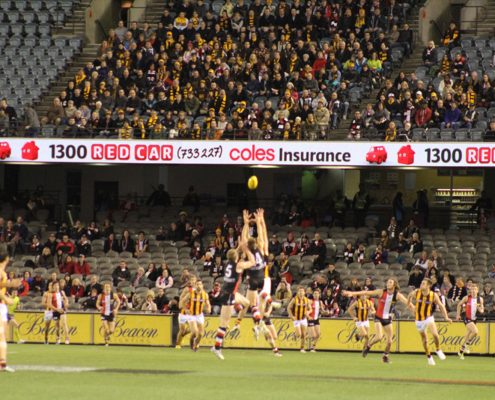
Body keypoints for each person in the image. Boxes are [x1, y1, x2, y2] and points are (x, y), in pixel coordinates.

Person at [343, 278, 410, 363]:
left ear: (394, 285)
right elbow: (366, 292)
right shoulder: (381, 291)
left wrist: (414, 308)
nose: (388, 283)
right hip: (378, 317)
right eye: (387, 281)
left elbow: (407, 302)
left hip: (387, 319)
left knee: (389, 341)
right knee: (379, 337)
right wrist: (352, 293)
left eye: (390, 282)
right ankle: (368, 347)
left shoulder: (397, 295)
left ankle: (385, 356)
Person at [211, 241, 254, 360]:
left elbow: (234, 252)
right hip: (229, 295)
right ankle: (217, 347)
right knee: (224, 323)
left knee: (246, 303)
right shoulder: (238, 265)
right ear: (236, 256)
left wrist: (241, 246)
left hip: (230, 293)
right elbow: (252, 262)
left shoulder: (228, 263)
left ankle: (237, 322)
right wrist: (247, 250)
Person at [233, 209, 268, 338]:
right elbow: (262, 235)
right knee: (257, 304)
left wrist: (246, 223)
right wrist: (259, 221)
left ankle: (253, 325)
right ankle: (254, 325)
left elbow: (243, 238)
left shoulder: (246, 252)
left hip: (252, 279)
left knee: (250, 305)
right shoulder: (262, 249)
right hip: (262, 279)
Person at [407, 278, 451, 365]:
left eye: (423, 283)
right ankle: (429, 357)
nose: (421, 285)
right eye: (421, 283)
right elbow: (409, 296)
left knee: (435, 334)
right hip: (418, 319)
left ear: (428, 286)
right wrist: (409, 304)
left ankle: (438, 349)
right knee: (425, 340)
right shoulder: (417, 292)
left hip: (428, 317)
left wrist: (446, 317)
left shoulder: (433, 295)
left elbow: (441, 306)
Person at [0, 250, 22, 372]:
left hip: (2, 306)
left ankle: (2, 362)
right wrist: (6, 298)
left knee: (3, 335)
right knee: (1, 335)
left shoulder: (2, 273)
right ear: (6, 259)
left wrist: (9, 285)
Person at [180, 279, 211, 351]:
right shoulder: (190, 293)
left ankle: (196, 344)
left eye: (200, 284)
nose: (199, 286)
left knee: (200, 334)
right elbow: (182, 302)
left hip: (200, 315)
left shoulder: (205, 294)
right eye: (197, 284)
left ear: (202, 285)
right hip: (191, 315)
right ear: (195, 285)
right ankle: (192, 344)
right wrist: (185, 309)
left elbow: (208, 303)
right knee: (194, 332)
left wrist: (209, 308)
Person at [456, 283, 484, 359]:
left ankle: (461, 352)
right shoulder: (466, 298)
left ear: (477, 290)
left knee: (467, 335)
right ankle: (467, 346)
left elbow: (482, 311)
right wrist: (458, 315)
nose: (473, 291)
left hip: (474, 319)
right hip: (466, 317)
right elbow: (459, 305)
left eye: (475, 289)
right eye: (472, 289)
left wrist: (478, 308)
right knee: (475, 331)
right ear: (470, 290)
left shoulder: (480, 299)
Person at [43, 281, 70, 345]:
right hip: (49, 311)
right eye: (51, 285)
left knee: (64, 323)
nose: (55, 286)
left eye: (57, 285)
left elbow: (66, 299)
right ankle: (46, 338)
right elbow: (44, 303)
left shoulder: (61, 292)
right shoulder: (47, 294)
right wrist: (56, 309)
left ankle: (66, 338)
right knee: (47, 326)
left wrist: (66, 304)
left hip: (59, 310)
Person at [288, 286, 312, 353]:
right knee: (299, 334)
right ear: (297, 292)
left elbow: (310, 309)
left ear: (304, 292)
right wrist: (291, 316)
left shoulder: (306, 300)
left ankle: (302, 348)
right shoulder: (294, 299)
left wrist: (308, 312)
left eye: (302, 291)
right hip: (296, 319)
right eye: (299, 291)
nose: (301, 292)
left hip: (303, 319)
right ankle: (295, 335)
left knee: (304, 335)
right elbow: (289, 308)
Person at [176, 275, 197, 348]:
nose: (191, 281)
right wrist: (183, 307)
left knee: (194, 329)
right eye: (190, 280)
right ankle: (178, 345)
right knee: (182, 330)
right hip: (184, 312)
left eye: (193, 280)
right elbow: (181, 298)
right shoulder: (187, 289)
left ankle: (194, 344)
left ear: (195, 281)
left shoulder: (197, 289)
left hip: (191, 313)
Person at [307, 288, 325, 352]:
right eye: (314, 294)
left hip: (316, 319)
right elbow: (306, 310)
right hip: (310, 319)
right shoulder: (310, 301)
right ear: (313, 294)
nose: (316, 295)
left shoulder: (320, 302)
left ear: (319, 295)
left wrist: (327, 312)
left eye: (317, 294)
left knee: (318, 334)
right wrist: (308, 316)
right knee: (313, 335)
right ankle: (307, 336)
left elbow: (322, 311)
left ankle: (313, 347)